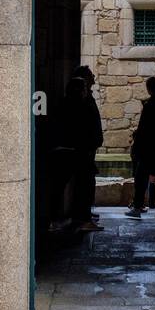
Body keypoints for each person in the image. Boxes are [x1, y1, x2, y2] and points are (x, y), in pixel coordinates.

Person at [57, 76, 104, 232]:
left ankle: (79, 218)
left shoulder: (76, 104)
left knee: (82, 185)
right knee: (83, 186)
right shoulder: (76, 105)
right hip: (79, 151)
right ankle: (80, 219)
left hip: (81, 151)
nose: (86, 91)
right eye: (83, 88)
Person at [125, 76, 155, 219]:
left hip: (149, 147)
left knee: (141, 176)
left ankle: (138, 206)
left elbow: (144, 127)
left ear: (149, 88)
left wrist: (137, 144)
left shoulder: (150, 104)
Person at [72, 64, 103, 222]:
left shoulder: (87, 97)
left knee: (88, 181)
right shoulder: (81, 101)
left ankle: (85, 213)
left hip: (89, 146)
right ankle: (82, 217)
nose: (94, 78)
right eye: (91, 75)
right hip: (84, 148)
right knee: (84, 182)